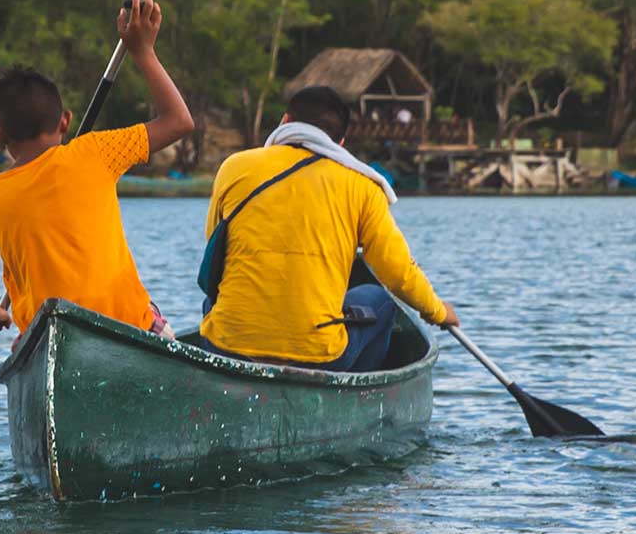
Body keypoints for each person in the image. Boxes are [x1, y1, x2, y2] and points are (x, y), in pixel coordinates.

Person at [0, 0, 196, 339]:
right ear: (65, 122)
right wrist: (143, 53)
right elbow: (179, 121)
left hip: (50, 337)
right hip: (129, 326)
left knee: (24, 345)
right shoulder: (97, 152)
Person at [193, 84, 454, 371]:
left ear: (285, 121)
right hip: (320, 354)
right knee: (380, 301)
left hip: (227, 345)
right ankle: (353, 394)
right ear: (340, 143)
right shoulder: (362, 186)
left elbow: (214, 246)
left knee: (212, 302)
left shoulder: (234, 167)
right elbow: (397, 272)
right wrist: (438, 312)